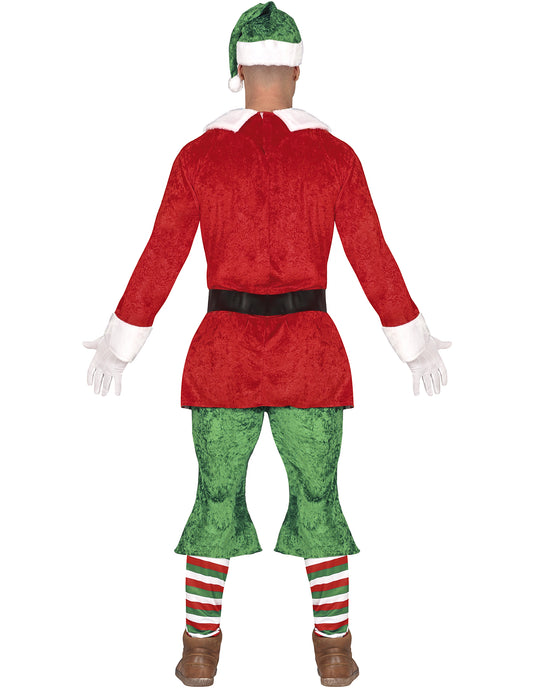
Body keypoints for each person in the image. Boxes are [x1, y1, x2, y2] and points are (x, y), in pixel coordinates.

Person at [84, 2, 450, 686]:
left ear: (237, 70)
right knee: (318, 495)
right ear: (298, 71)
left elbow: (161, 254)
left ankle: (201, 643)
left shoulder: (198, 156)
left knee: (216, 494)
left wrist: (121, 342)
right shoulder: (334, 155)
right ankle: (331, 644)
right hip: (307, 354)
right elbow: (372, 254)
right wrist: (412, 341)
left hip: (225, 352)